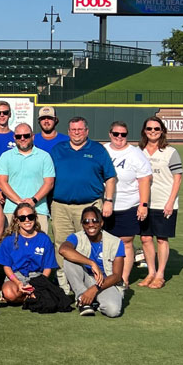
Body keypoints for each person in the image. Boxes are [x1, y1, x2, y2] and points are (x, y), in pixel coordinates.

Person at [49, 117, 117, 291]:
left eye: (80, 129)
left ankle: (89, 283)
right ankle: (65, 286)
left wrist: (108, 201)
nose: (76, 132)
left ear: (86, 131)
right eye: (73, 129)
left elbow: (110, 177)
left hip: (89, 206)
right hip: (61, 205)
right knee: (61, 244)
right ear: (68, 131)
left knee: (87, 244)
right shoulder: (58, 149)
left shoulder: (97, 150)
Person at [102, 121, 152, 288]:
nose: (119, 137)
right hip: (104, 204)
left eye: (123, 134)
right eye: (116, 134)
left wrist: (143, 204)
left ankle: (123, 278)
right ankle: (106, 275)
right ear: (110, 134)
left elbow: (144, 180)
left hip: (128, 204)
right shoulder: (103, 150)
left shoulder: (135, 153)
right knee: (103, 241)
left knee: (126, 241)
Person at [139, 117, 182, 289]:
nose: (153, 131)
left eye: (156, 128)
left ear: (162, 130)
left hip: (164, 202)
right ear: (144, 131)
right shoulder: (138, 151)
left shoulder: (170, 152)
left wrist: (170, 202)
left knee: (162, 239)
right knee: (145, 238)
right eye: (149, 128)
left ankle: (160, 275)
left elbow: (177, 179)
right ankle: (150, 272)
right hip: (144, 203)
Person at [58, 207, 125, 317]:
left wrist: (95, 289)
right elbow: (63, 250)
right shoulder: (76, 237)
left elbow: (117, 276)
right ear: (82, 224)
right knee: (69, 258)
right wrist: (91, 263)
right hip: (83, 277)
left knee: (113, 311)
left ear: (101, 223)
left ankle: (92, 299)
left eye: (95, 221)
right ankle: (82, 299)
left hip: (104, 282)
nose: (90, 225)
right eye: (86, 221)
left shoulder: (116, 242)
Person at [0, 202, 58, 306]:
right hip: (15, 276)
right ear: (17, 220)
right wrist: (18, 282)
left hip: (37, 276)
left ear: (35, 218)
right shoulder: (9, 240)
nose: (27, 220)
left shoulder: (44, 239)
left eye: (30, 216)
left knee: (39, 295)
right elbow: (6, 267)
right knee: (9, 293)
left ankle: (25, 297)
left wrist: (38, 284)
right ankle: (26, 296)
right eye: (22, 218)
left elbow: (47, 268)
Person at [0, 123, 55, 230]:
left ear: (32, 136)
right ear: (14, 137)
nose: (22, 139)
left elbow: (49, 183)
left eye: (26, 136)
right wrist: (19, 202)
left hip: (38, 210)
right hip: (12, 210)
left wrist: (33, 201)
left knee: (39, 244)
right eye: (18, 136)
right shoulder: (5, 156)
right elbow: (1, 182)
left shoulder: (44, 156)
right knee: (12, 244)